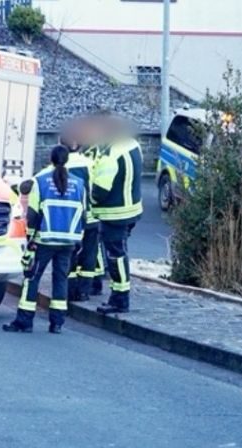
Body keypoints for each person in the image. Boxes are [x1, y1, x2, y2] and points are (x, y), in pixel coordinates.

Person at [4, 146, 87, 334]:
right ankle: (57, 323)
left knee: (32, 278)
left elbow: (33, 215)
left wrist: (30, 238)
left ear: (50, 159)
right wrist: (79, 239)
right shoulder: (79, 184)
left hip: (44, 240)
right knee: (61, 280)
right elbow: (84, 214)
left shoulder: (40, 182)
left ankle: (24, 321)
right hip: (68, 241)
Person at [90, 115, 144, 314]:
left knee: (115, 257)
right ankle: (119, 295)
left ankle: (120, 298)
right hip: (132, 210)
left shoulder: (109, 155)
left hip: (114, 214)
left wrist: (89, 199)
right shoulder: (133, 145)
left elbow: (100, 191)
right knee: (121, 252)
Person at [59, 123, 100, 302]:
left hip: (70, 219)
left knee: (70, 254)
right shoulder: (90, 163)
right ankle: (84, 291)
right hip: (90, 216)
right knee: (90, 254)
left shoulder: (60, 166)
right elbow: (96, 188)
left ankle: (70, 290)